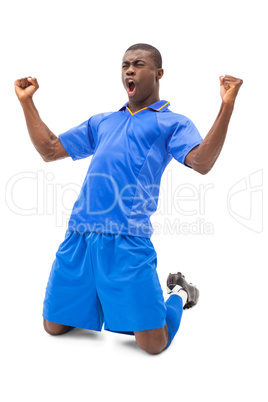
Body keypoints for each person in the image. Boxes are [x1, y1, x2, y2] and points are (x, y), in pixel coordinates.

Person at [14, 43, 243, 355]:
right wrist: (27, 103)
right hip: (80, 235)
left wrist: (226, 107)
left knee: (153, 344)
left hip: (128, 240)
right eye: (125, 65)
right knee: (53, 327)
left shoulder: (172, 122)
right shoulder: (103, 121)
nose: (130, 70)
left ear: (158, 73)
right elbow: (50, 150)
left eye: (138, 64)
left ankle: (179, 292)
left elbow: (201, 162)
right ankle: (111, 302)